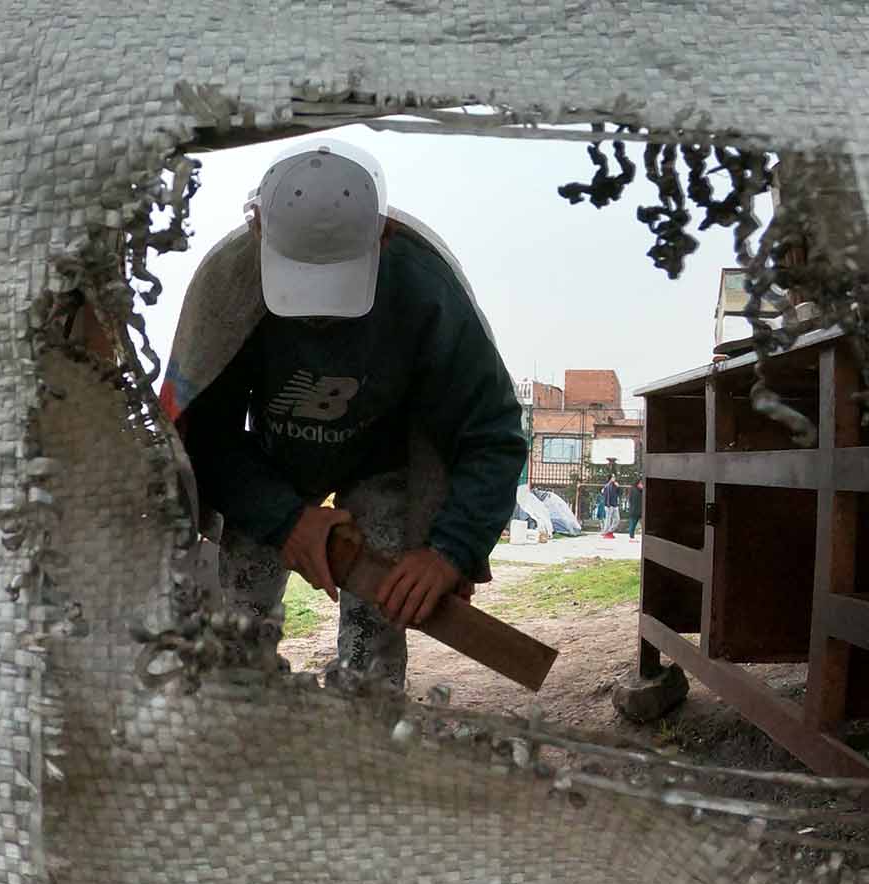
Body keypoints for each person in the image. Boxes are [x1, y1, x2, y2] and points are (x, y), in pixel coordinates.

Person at [158, 139, 527, 687]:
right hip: (270, 460)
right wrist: (285, 520)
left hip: (386, 456)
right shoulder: (226, 284)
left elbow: (492, 434)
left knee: (381, 604)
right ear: (258, 227)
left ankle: (367, 722)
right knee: (238, 618)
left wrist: (450, 550)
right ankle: (237, 720)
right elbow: (203, 431)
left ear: (383, 234)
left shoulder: (425, 288)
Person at [600, 474, 621, 539]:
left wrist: (618, 487)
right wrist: (608, 505)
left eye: (614, 477)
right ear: (610, 478)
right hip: (609, 505)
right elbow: (605, 496)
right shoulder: (607, 486)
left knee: (617, 519)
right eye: (613, 477)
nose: (614, 478)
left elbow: (619, 494)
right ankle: (606, 532)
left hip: (615, 505)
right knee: (608, 520)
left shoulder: (615, 485)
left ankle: (610, 531)